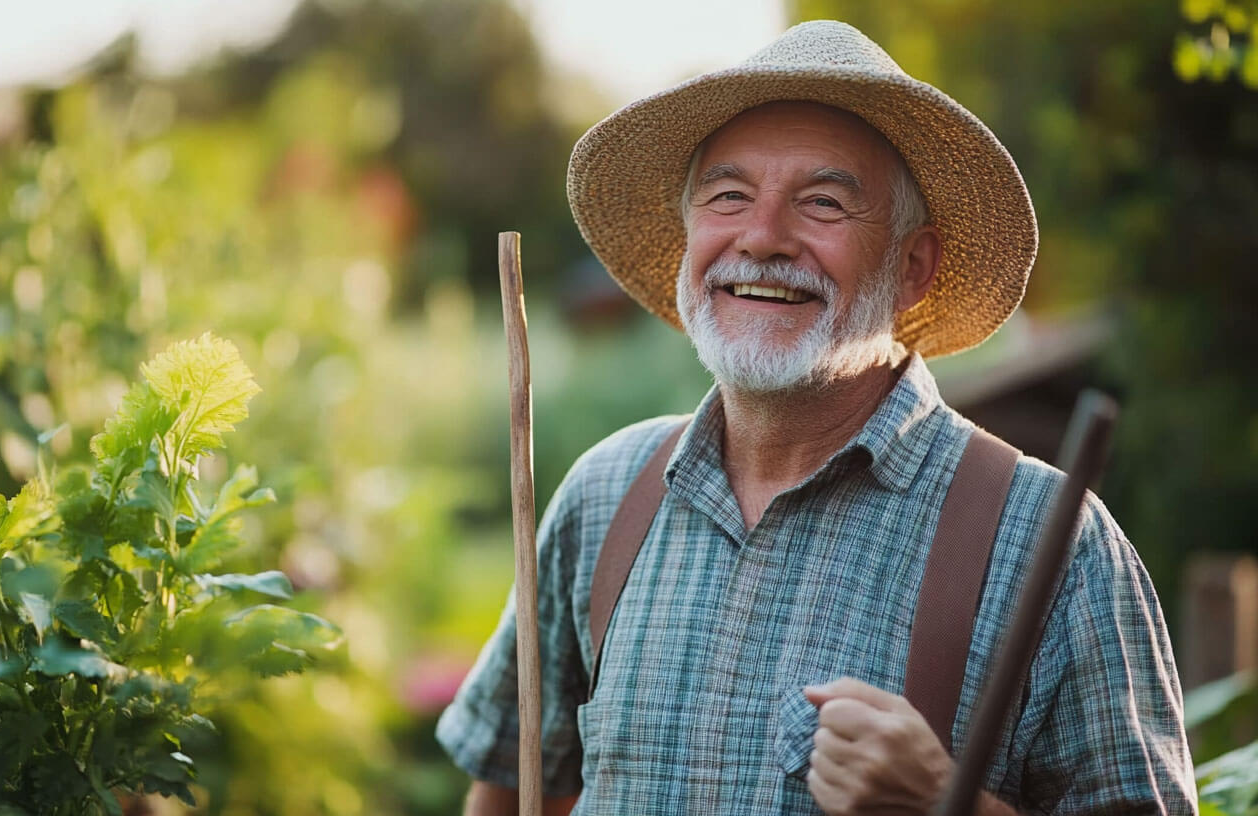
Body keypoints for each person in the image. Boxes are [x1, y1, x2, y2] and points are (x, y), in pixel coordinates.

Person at [436, 20, 1196, 816]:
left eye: (823, 203)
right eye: (728, 196)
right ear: (688, 235)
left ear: (913, 267)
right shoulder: (604, 497)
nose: (761, 238)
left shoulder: (1052, 542)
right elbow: (515, 790)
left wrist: (950, 803)